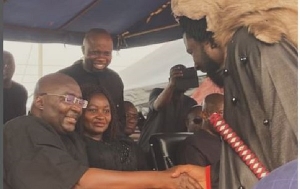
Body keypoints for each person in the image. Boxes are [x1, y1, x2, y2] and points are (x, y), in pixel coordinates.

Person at [171, 0, 298, 188]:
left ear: (210, 39)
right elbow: (256, 151)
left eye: (192, 51)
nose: (196, 64)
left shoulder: (254, 46)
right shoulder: (238, 55)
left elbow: (291, 145)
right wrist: (211, 176)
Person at [4, 72, 204, 189]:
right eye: (69, 99)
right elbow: (80, 182)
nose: (76, 107)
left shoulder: (66, 138)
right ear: (39, 100)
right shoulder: (23, 128)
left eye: (80, 102)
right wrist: (164, 179)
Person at [59, 28, 126, 132]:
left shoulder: (115, 80)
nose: (101, 58)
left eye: (107, 54)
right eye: (95, 52)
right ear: (83, 50)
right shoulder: (64, 78)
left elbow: (119, 115)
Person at [77, 85, 148, 171]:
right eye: (93, 110)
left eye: (106, 111)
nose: (101, 116)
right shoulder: (74, 147)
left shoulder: (125, 143)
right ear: (80, 112)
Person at [138, 64, 197, 156]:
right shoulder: (157, 92)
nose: (181, 81)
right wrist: (172, 85)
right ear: (170, 79)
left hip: (173, 150)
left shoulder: (190, 102)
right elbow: (158, 105)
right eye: (177, 78)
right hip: (150, 148)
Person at [177, 93, 223, 189]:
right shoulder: (193, 145)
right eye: (221, 112)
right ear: (205, 115)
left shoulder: (228, 140)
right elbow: (196, 183)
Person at [3, 50, 28, 124]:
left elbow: (21, 120)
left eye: (9, 63)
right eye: (3, 62)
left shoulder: (20, 91)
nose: (6, 67)